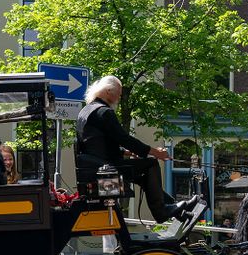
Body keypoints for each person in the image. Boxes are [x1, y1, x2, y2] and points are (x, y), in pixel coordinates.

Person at [76, 75, 197, 223]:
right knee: (151, 164)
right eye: (118, 94)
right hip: (108, 169)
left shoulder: (85, 112)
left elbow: (95, 145)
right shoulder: (104, 112)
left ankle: (174, 208)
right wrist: (155, 152)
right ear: (108, 91)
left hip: (98, 168)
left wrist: (125, 152)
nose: (119, 98)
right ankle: (161, 211)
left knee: (145, 177)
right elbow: (124, 139)